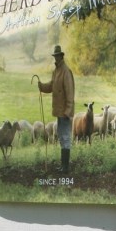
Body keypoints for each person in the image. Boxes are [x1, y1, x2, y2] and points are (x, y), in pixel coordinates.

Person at [37, 45, 75, 173]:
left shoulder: (66, 71)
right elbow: (51, 86)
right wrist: (42, 86)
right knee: (61, 136)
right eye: (54, 56)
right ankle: (63, 166)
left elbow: (70, 92)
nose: (56, 58)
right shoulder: (56, 71)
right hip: (59, 112)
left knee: (65, 137)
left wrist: (68, 111)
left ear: (61, 56)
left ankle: (65, 167)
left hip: (65, 112)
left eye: (57, 56)